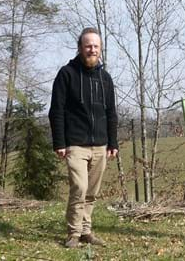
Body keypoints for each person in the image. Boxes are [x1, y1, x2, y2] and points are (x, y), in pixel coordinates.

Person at [48, 27, 118, 248]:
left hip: (100, 145)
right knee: (79, 188)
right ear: (80, 48)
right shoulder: (66, 74)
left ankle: (87, 232)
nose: (92, 49)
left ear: (101, 49)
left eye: (96, 46)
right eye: (88, 45)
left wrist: (113, 142)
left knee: (92, 192)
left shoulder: (105, 78)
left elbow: (111, 112)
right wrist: (59, 142)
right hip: (75, 144)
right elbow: (56, 110)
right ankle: (73, 234)